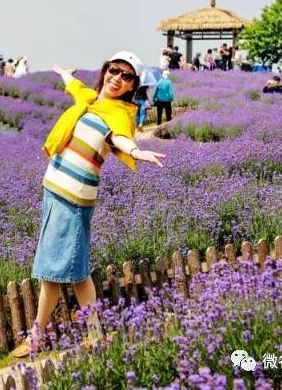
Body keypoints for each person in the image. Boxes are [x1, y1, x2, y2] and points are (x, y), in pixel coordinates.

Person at [9, 51, 165, 358]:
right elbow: (77, 89)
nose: (117, 78)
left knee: (51, 271)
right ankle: (94, 334)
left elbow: (120, 138)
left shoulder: (119, 113)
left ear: (133, 85)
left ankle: (38, 336)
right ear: (106, 70)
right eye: (114, 70)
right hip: (54, 190)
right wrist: (66, 75)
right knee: (75, 271)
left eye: (126, 76)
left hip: (73, 198)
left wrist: (135, 152)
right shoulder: (92, 100)